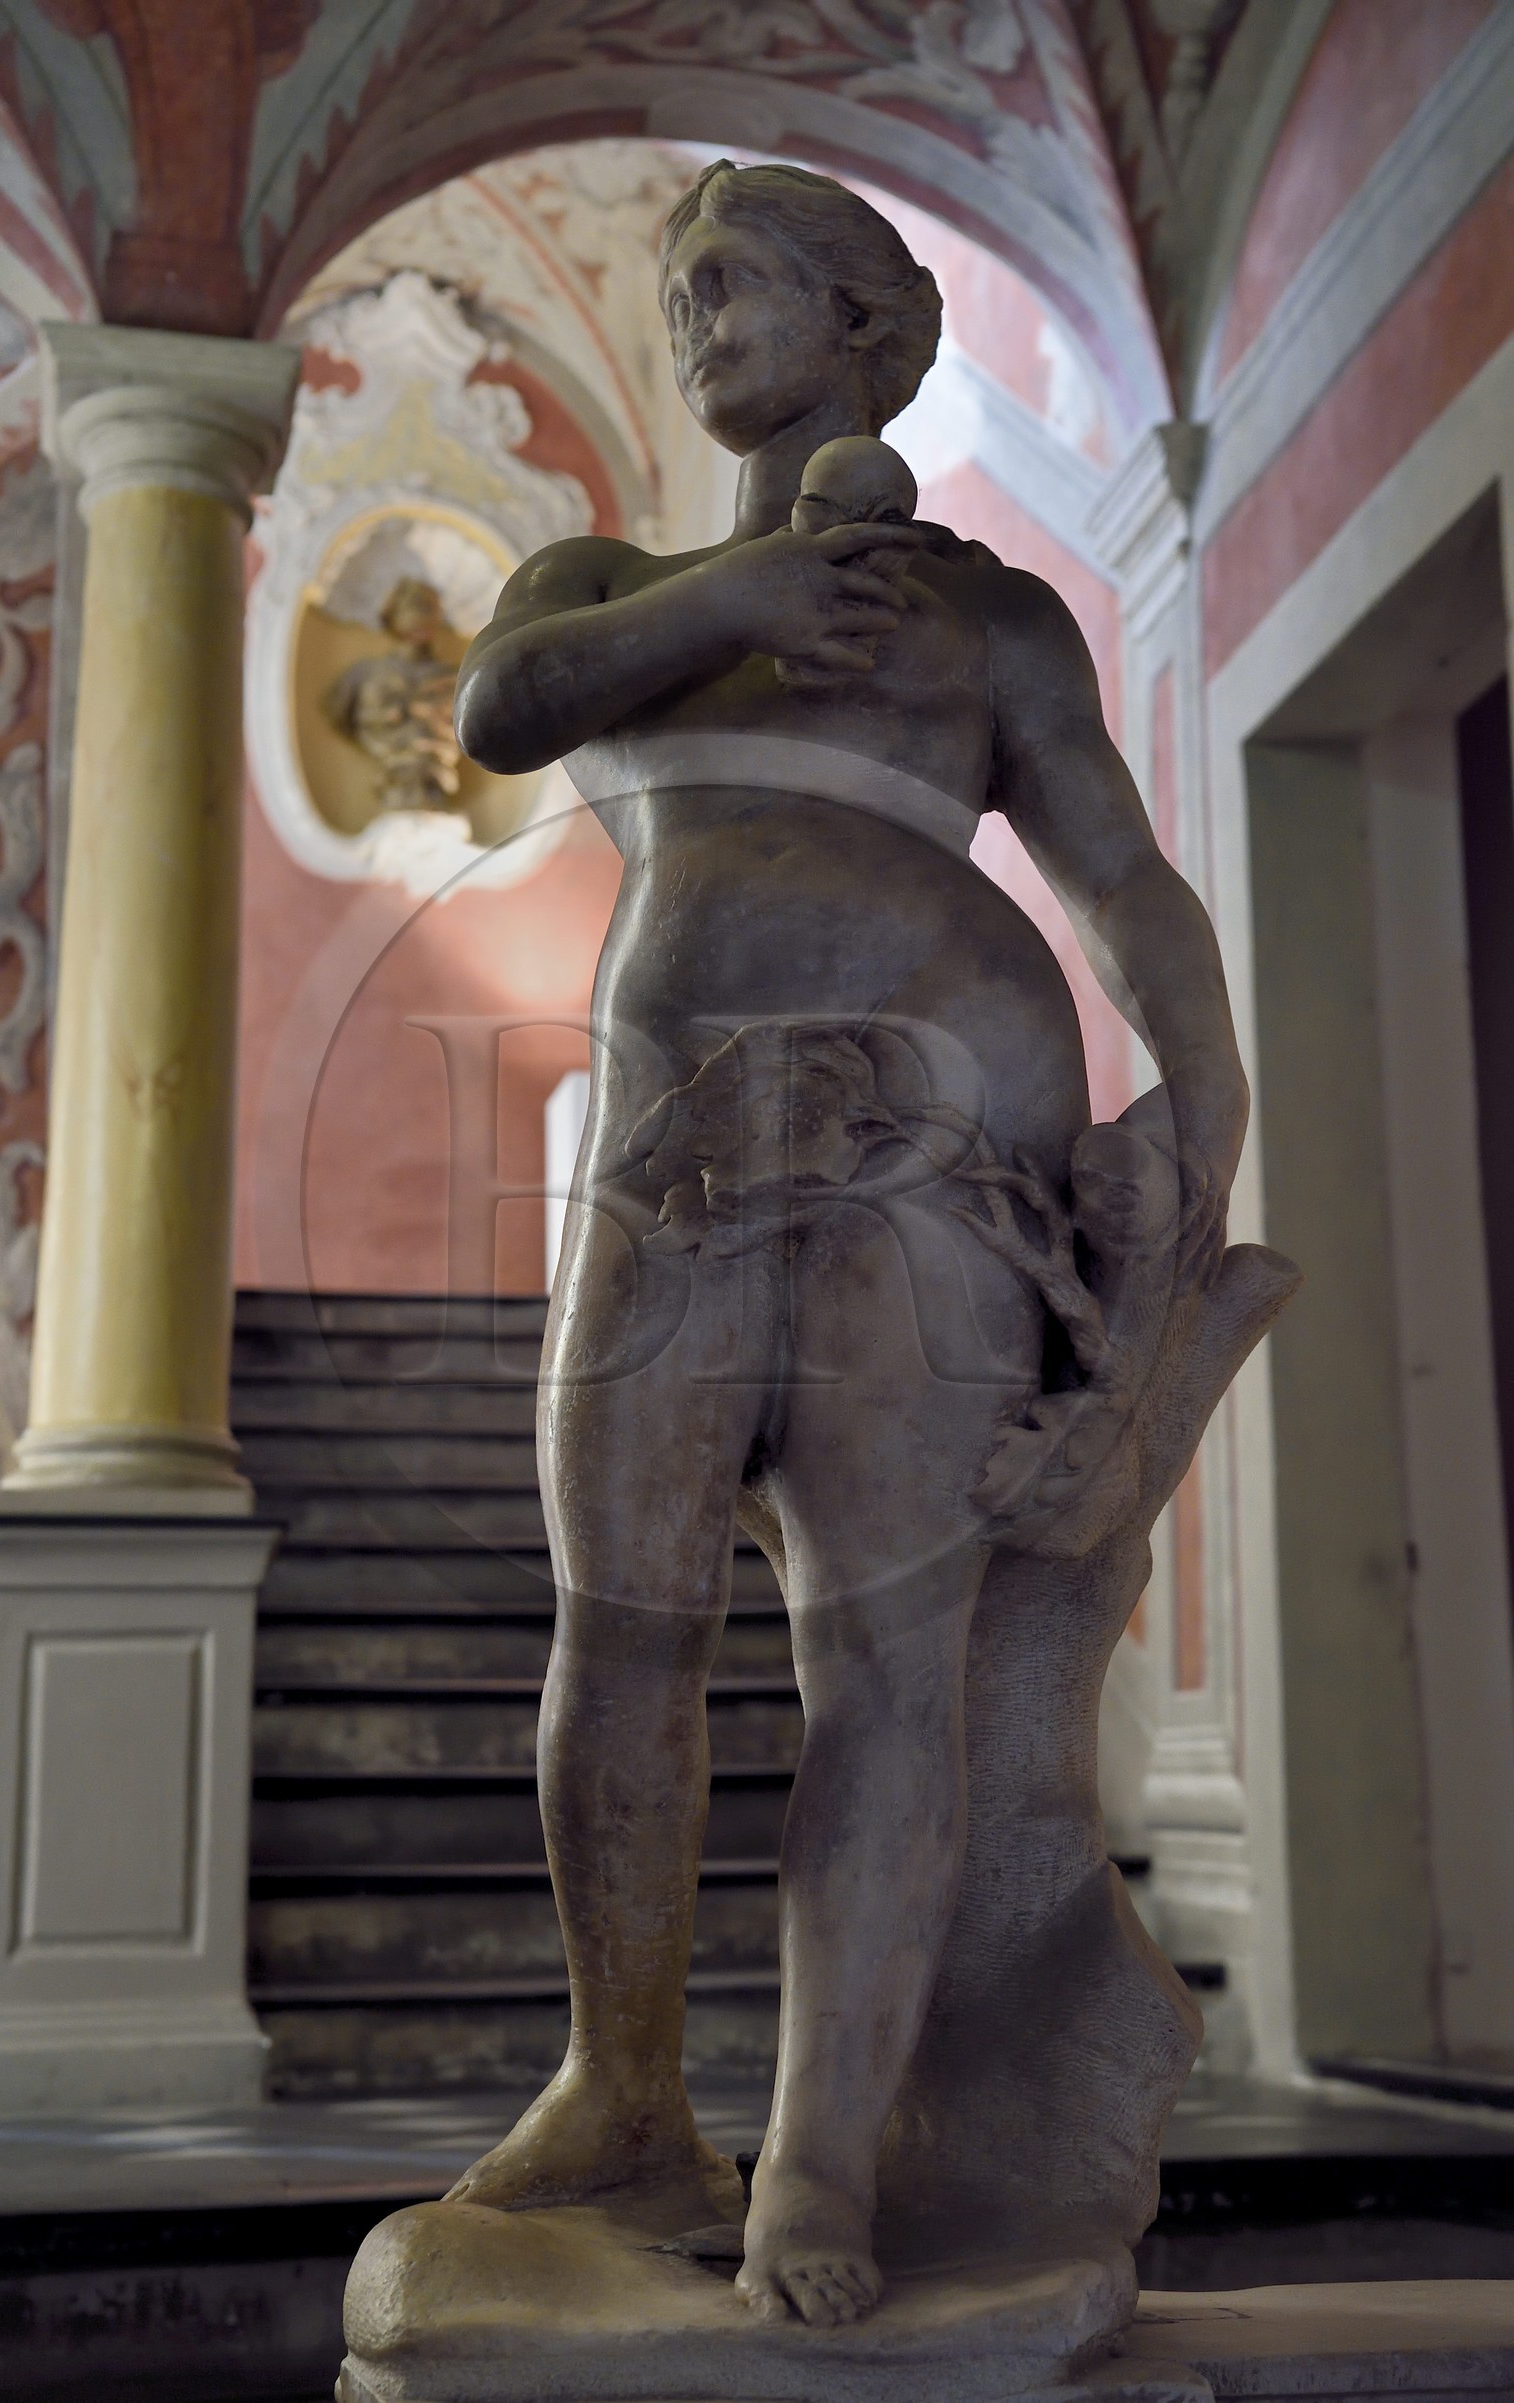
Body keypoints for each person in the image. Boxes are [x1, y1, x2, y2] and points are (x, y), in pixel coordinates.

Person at [449, 159, 1249, 2332]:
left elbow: (1122, 873)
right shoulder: (613, 578)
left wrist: (1207, 1074)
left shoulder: (986, 620)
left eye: (741, 281)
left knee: (878, 1658)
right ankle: (623, 2084)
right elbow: (496, 708)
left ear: (876, 329)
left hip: (936, 1174)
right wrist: (738, 607)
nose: (696, 313)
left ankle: (819, 2148)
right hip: (675, 1162)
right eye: (679, 286)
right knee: (619, 1618)